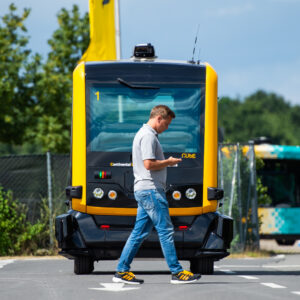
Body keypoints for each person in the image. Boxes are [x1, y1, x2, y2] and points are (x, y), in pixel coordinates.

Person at [113, 105, 201, 285]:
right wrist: (168, 162)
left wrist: (165, 163)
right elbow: (149, 164)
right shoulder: (148, 136)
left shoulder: (144, 134)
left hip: (145, 189)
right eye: (166, 124)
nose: (166, 128)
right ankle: (177, 272)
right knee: (166, 230)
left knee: (139, 233)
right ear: (159, 118)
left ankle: (122, 270)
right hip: (151, 190)